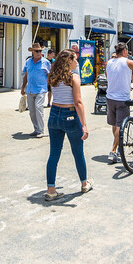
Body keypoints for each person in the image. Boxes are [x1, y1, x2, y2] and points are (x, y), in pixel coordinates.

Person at [45, 49, 92, 201]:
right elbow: (78, 102)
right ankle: (84, 183)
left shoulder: (53, 76)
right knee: (78, 153)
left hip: (54, 114)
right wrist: (84, 125)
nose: (77, 62)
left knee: (54, 154)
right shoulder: (74, 78)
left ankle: (51, 189)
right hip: (70, 114)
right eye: (75, 60)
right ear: (68, 61)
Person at [21, 43, 51, 137]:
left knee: (39, 107)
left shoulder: (45, 62)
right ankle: (36, 129)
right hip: (30, 90)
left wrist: (50, 86)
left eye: (40, 51)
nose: (39, 53)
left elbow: (50, 75)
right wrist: (23, 87)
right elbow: (26, 75)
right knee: (32, 111)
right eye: (37, 51)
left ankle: (41, 131)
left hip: (41, 89)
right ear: (32, 52)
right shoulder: (28, 62)